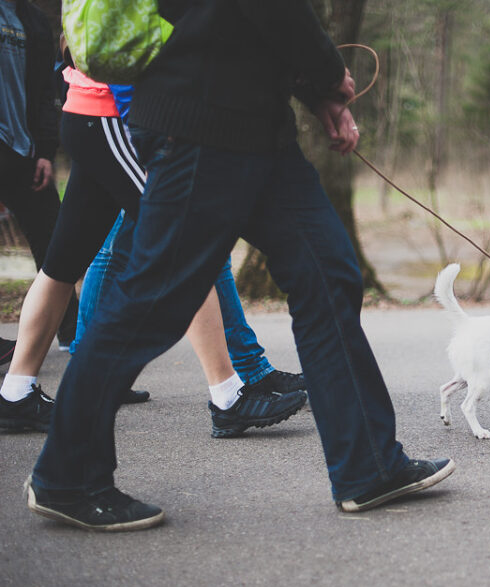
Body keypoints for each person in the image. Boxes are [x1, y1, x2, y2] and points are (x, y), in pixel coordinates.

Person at [25, 0, 455, 531]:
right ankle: (66, 475)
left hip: (257, 127)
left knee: (329, 272)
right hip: (201, 125)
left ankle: (368, 467)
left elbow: (248, 26)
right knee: (154, 299)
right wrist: (326, 75)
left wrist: (312, 92)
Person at [0, 60, 308, 437]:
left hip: (89, 114)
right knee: (188, 242)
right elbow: (130, 55)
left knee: (61, 264)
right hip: (117, 117)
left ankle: (16, 393)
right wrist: (153, 126)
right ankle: (228, 397)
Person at [0, 0, 78, 349]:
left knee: (56, 243)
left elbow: (47, 89)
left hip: (26, 149)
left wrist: (45, 151)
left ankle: (71, 331)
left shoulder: (30, 17)